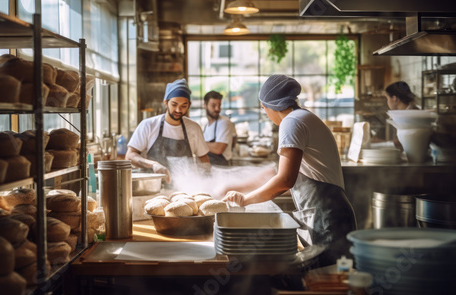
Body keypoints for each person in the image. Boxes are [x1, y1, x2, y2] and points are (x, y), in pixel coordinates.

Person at [221, 74, 357, 267]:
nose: (264, 113)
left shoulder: (291, 122)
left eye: (263, 108)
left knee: (323, 287)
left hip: (327, 223)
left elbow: (285, 180)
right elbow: (284, 176)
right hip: (330, 219)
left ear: (270, 105)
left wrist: (245, 200)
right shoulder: (304, 117)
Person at [126, 78, 210, 183]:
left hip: (185, 188)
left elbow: (203, 160)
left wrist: (207, 183)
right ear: (166, 102)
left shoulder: (194, 128)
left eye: (183, 106)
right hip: (152, 188)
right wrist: (153, 164)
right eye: (174, 105)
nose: (179, 110)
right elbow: (130, 156)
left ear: (189, 105)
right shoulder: (148, 125)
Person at [202, 91, 237, 166]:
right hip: (210, 167)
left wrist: (198, 143)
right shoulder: (206, 126)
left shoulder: (224, 122)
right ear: (205, 105)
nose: (217, 109)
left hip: (221, 168)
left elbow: (218, 149)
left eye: (219, 105)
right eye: (213, 105)